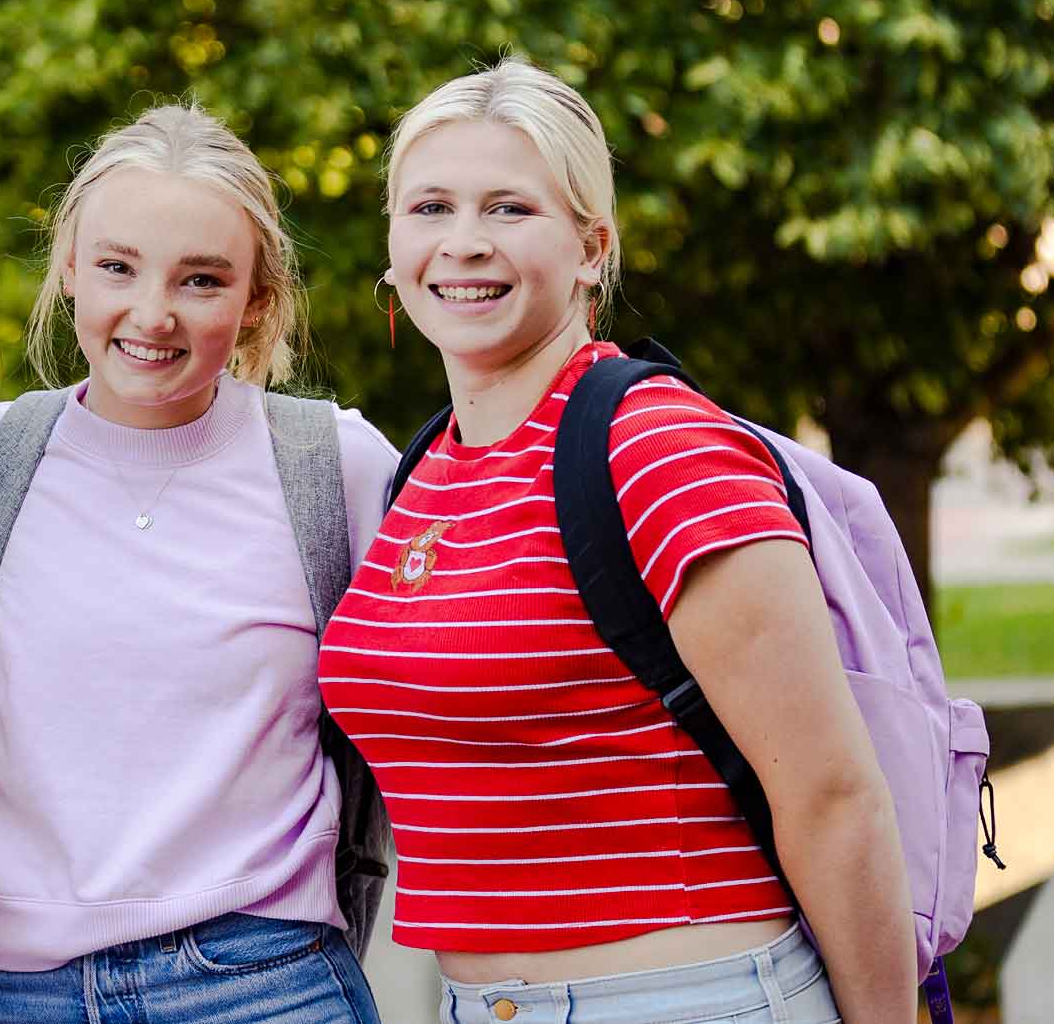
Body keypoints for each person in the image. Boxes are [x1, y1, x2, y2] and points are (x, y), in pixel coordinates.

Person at [317, 58, 915, 1023]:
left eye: (509, 210)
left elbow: (834, 795)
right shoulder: (424, 469)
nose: (463, 244)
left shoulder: (657, 445)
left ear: (593, 248)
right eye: (430, 207)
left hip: (691, 1000)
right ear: (391, 242)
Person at [0, 104, 393, 1024]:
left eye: (202, 279)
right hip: (16, 989)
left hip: (265, 981)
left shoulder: (334, 466)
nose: (152, 313)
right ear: (68, 268)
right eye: (116, 267)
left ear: (256, 298)